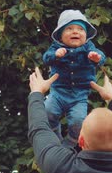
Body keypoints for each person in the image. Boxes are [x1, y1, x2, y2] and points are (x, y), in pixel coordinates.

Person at [43, 9, 106, 147]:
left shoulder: (88, 47)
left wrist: (97, 58)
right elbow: (46, 58)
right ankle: (55, 138)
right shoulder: (56, 47)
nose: (75, 32)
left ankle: (69, 144)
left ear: (86, 35)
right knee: (47, 111)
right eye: (69, 29)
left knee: (79, 122)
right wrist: (56, 55)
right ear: (60, 36)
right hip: (58, 92)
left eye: (80, 29)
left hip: (79, 95)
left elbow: (101, 56)